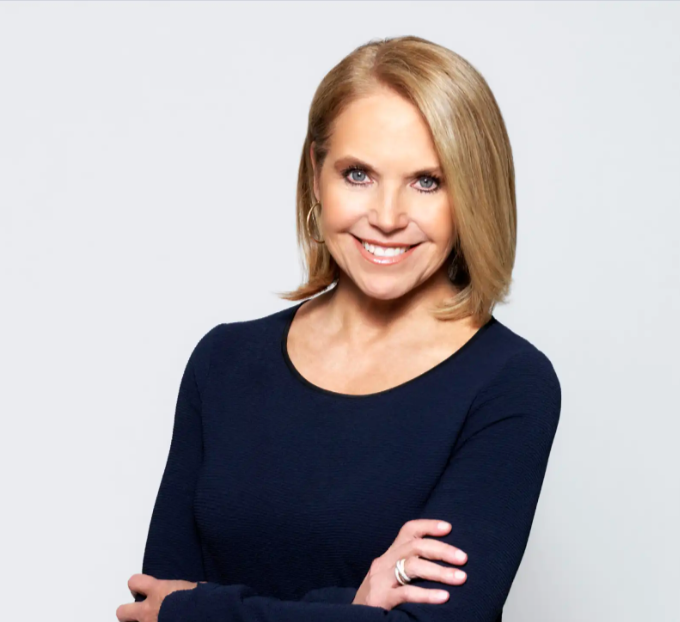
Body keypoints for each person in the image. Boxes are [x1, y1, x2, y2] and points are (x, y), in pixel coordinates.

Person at [116, 35, 561, 622]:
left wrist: (202, 611)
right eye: (358, 174)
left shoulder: (510, 384)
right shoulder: (223, 362)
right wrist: (355, 605)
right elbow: (151, 607)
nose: (387, 216)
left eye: (428, 181)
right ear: (316, 178)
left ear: (472, 193)